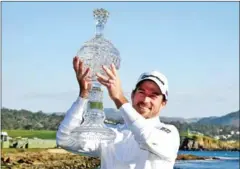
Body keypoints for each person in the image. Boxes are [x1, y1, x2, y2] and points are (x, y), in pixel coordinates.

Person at [56, 56, 180, 169]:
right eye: (141, 92)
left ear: (164, 103)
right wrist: (84, 94)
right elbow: (65, 139)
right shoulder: (112, 134)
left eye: (154, 95)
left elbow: (145, 136)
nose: (145, 100)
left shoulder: (169, 134)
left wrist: (119, 97)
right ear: (132, 95)